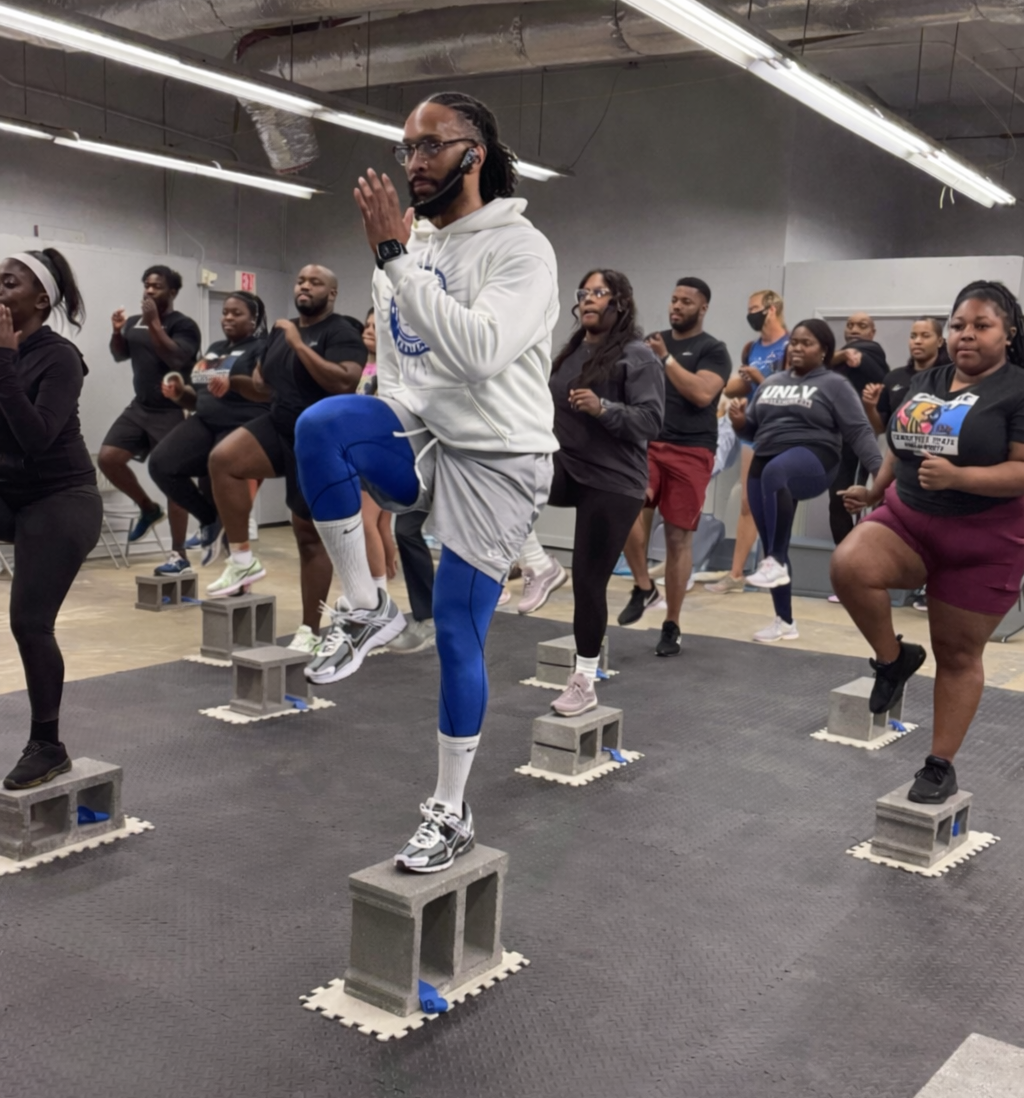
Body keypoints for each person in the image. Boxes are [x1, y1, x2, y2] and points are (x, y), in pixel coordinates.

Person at [294, 90, 559, 872]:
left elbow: (478, 353)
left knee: (454, 630)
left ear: (474, 154)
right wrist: (371, 435)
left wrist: (393, 261)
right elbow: (407, 370)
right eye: (406, 148)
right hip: (428, 430)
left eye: (431, 147)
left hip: (500, 456)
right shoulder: (413, 249)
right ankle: (369, 607)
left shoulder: (521, 250)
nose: (413, 162)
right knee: (323, 426)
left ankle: (451, 809)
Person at [832, 281, 1024, 805]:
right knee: (849, 566)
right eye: (958, 325)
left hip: (984, 542)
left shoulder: (1017, 390)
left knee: (958, 654)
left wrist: (963, 479)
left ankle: (939, 765)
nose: (966, 335)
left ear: (1007, 335)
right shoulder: (928, 379)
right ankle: (893, 659)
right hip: (910, 519)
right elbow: (900, 442)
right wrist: (874, 489)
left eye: (982, 326)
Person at [205, 266, 367, 654]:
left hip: (318, 439)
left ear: (333, 292)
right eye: (300, 281)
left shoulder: (341, 330)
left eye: (315, 282)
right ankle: (242, 558)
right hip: (279, 424)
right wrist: (232, 382)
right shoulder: (280, 330)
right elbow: (264, 387)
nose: (305, 286)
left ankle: (310, 631)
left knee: (308, 537)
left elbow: (344, 380)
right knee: (223, 460)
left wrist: (298, 344)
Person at [0, 249, 103, 790]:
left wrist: (4, 361)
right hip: (10, 493)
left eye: (8, 282)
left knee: (29, 622)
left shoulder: (59, 357)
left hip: (61, 499)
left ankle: (48, 744)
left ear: (40, 301)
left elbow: (36, 437)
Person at [543, 268, 664, 715]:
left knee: (588, 582)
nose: (589, 299)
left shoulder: (638, 356)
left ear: (619, 303)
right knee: (510, 477)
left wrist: (604, 407)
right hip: (566, 465)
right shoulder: (572, 351)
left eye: (599, 292)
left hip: (614, 479)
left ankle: (584, 679)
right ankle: (535, 564)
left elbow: (651, 421)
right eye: (584, 292)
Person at [727, 318, 881, 642]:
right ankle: (784, 622)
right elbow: (753, 430)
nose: (797, 347)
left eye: (806, 342)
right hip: (766, 459)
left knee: (776, 485)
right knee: (770, 543)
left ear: (824, 350)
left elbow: (859, 431)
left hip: (815, 457)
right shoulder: (771, 383)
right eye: (794, 342)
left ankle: (777, 561)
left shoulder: (834, 384)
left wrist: (881, 477)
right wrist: (740, 422)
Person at [617, 277, 731, 657]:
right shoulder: (650, 342)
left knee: (677, 538)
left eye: (686, 301)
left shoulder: (713, 349)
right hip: (648, 444)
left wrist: (665, 359)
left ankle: (672, 624)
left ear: (703, 308)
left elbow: (702, 393)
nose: (676, 306)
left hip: (692, 450)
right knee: (623, 509)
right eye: (673, 299)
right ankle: (644, 587)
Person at [148, 292, 269, 573]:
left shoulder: (261, 348)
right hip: (206, 422)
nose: (227, 317)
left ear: (254, 320)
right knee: (161, 464)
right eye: (225, 312)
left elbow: (263, 391)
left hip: (243, 427)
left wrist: (233, 382)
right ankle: (207, 519)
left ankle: (240, 582)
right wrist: (180, 394)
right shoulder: (215, 348)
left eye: (236, 313)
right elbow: (201, 396)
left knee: (232, 509)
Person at [100, 266, 201, 566]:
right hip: (140, 408)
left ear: (172, 292)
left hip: (171, 411)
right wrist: (118, 331)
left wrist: (155, 323)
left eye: (156, 286)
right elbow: (120, 354)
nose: (148, 291)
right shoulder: (135, 322)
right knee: (108, 458)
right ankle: (147, 508)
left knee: (173, 480)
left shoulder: (184, 325)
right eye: (146, 285)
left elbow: (176, 357)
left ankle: (178, 553)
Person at [357, 308, 439, 653]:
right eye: (369, 324)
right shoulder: (369, 368)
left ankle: (415, 615)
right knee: (398, 530)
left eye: (380, 326)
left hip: (423, 455)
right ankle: (419, 616)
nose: (371, 331)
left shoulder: (412, 366)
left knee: (401, 530)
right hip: (384, 458)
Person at [706, 289, 788, 594]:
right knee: (747, 502)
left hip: (781, 430)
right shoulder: (752, 347)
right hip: (754, 429)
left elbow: (793, 390)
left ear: (772, 309)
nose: (750, 314)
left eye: (754, 308)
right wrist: (718, 392)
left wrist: (758, 376)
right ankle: (737, 574)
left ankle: (775, 568)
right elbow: (742, 387)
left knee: (778, 501)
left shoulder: (791, 344)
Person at [827, 312, 889, 548]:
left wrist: (845, 355)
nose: (854, 329)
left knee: (851, 499)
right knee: (838, 501)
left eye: (862, 326)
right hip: (836, 440)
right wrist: (842, 354)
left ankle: (857, 555)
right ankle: (845, 555)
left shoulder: (869, 352)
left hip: (857, 441)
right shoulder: (843, 357)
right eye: (850, 325)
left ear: (872, 333)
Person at [862, 317, 951, 437]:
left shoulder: (950, 377)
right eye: (913, 336)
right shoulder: (893, 378)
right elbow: (880, 429)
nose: (917, 341)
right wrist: (870, 407)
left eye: (925, 336)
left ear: (940, 341)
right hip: (900, 453)